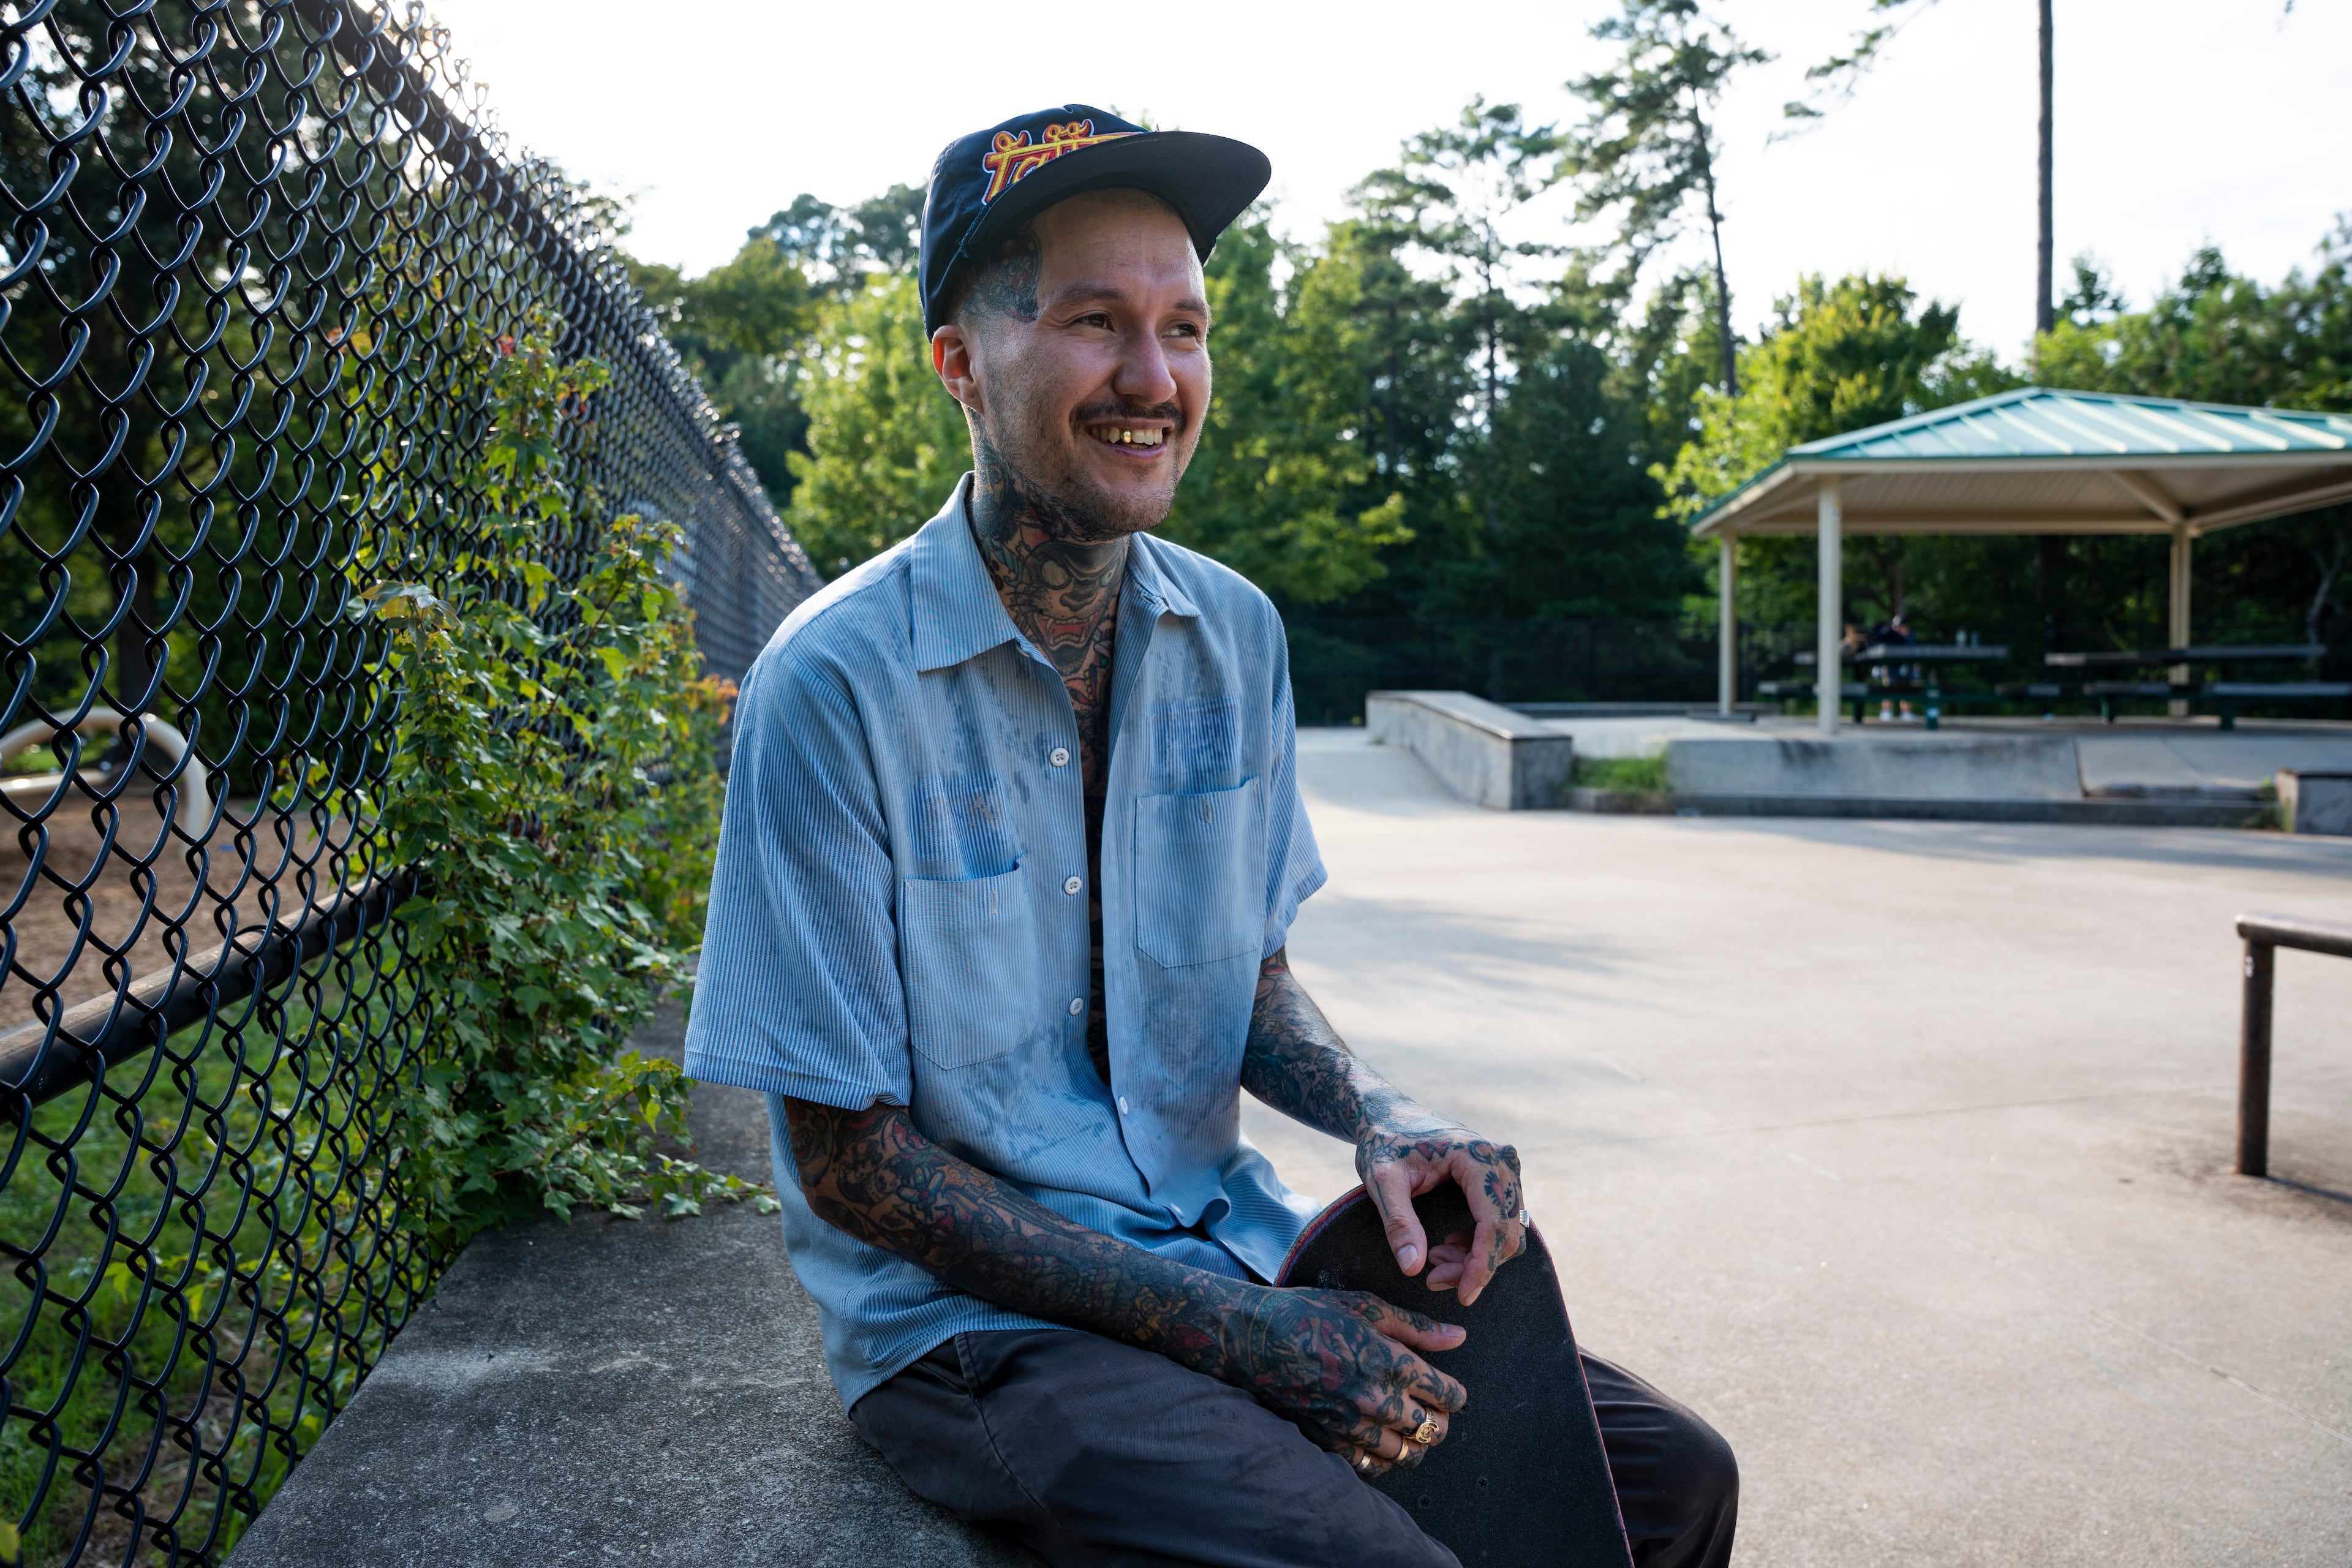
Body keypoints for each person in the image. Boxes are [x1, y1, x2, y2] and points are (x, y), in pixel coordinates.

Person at [685, 105, 1738, 1568]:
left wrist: (1383, 1113)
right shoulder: (831, 682)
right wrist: (1242, 1336)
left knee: (1676, 1482)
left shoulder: (1234, 633)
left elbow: (1247, 979)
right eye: (1096, 322)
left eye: (1185, 327)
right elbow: (856, 1163)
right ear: (959, 362)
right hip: (986, 1336)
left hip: (1232, 1244)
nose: (1152, 376)